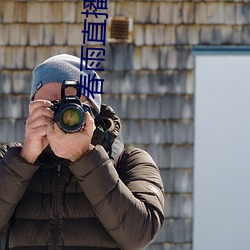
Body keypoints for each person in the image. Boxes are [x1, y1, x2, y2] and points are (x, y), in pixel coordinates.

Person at [0, 54, 164, 250]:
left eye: (70, 107)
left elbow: (139, 235)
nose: (59, 116)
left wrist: (85, 158)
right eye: (49, 106)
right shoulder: (9, 160)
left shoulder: (130, 162)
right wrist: (24, 160)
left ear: (93, 111)